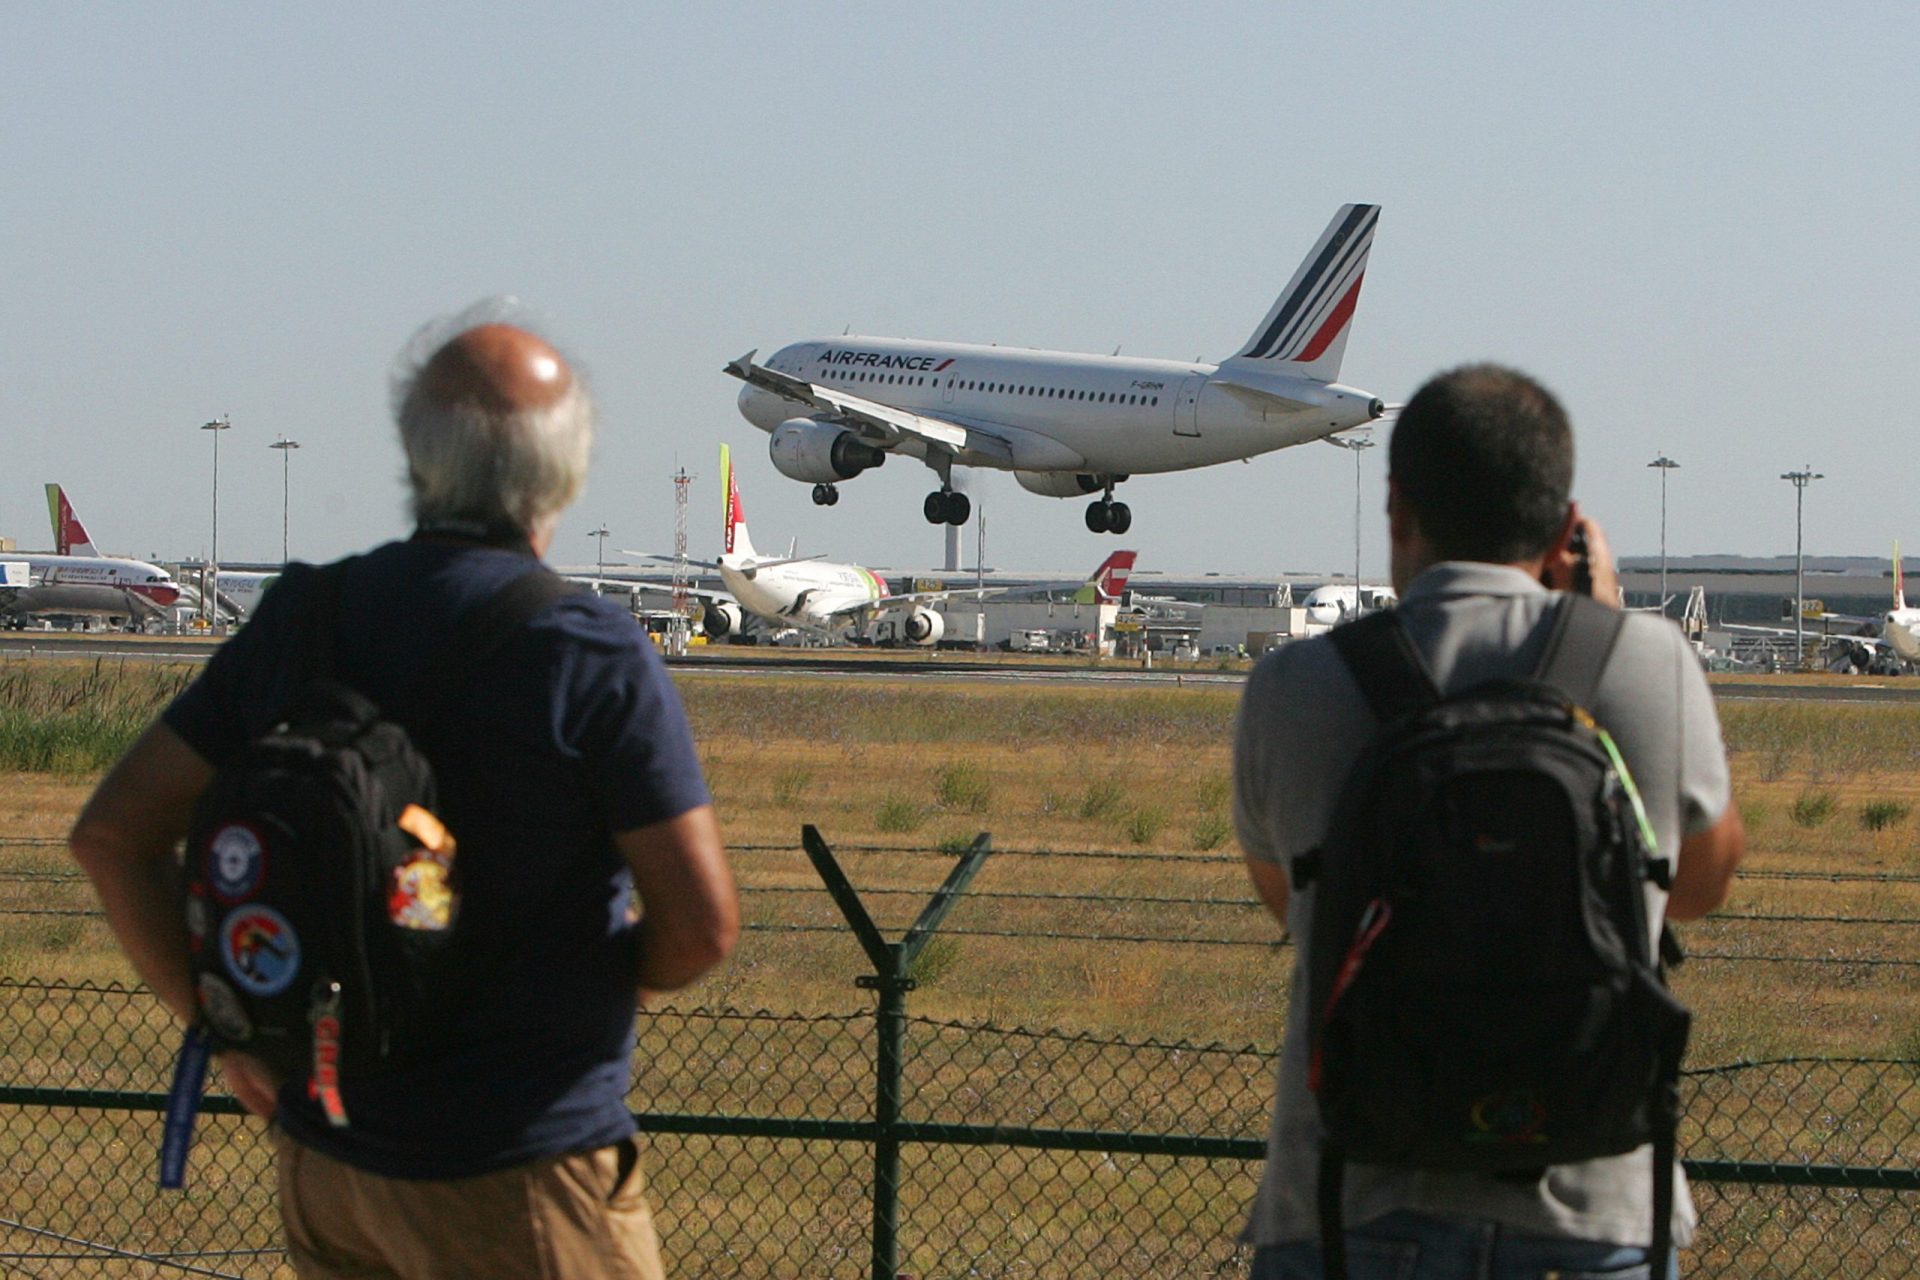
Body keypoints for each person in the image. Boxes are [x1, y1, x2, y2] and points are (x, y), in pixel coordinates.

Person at [69, 314, 740, 1279]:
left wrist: (229, 1032)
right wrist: (580, 984)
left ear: (416, 457)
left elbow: (112, 837)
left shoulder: (307, 616)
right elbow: (703, 928)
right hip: (521, 1165)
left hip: (331, 1158)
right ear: (568, 472)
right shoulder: (585, 651)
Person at [1233, 364, 1745, 1278]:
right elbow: (1702, 888)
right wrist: (1608, 625)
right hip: (1591, 1210)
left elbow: (1297, 911)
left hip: (1350, 1207)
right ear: (1563, 529)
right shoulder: (1648, 664)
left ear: (1396, 508)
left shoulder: (1297, 685)